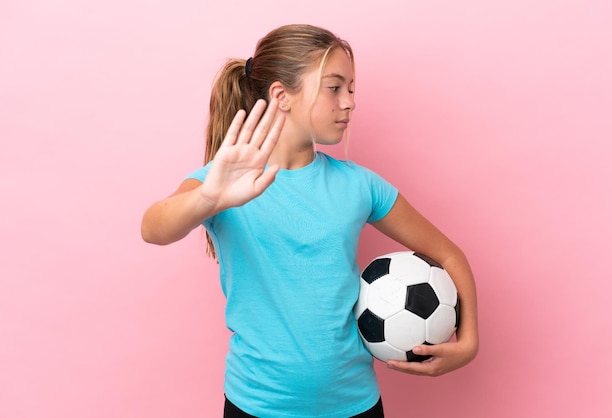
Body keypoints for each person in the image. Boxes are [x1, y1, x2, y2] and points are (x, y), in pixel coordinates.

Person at [141, 24, 478, 418]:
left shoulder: (359, 185)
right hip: (256, 406)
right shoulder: (226, 181)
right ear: (282, 96)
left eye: (352, 89)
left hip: (354, 405)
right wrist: (207, 198)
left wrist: (468, 342)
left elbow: (450, 256)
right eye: (334, 88)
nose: (349, 102)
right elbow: (153, 228)